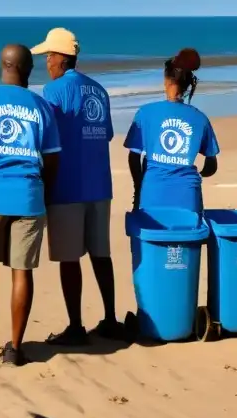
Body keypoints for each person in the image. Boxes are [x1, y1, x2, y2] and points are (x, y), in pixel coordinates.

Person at [0, 45, 61, 367]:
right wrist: (44, 193)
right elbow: (53, 158)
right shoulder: (41, 106)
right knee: (22, 272)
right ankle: (14, 347)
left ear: (2, 65)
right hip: (28, 195)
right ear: (29, 69)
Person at [31, 28, 125, 345]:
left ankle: (75, 326)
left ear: (61, 58)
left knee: (70, 259)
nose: (46, 62)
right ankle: (110, 318)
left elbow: (46, 137)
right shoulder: (99, 90)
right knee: (101, 254)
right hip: (100, 185)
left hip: (68, 186)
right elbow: (107, 133)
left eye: (49, 56)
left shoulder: (53, 91)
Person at [124, 49, 219, 212]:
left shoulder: (145, 113)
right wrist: (192, 174)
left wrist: (139, 188)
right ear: (188, 84)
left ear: (166, 80)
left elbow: (134, 157)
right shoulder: (200, 118)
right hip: (188, 196)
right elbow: (211, 165)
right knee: (188, 236)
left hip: (152, 194)